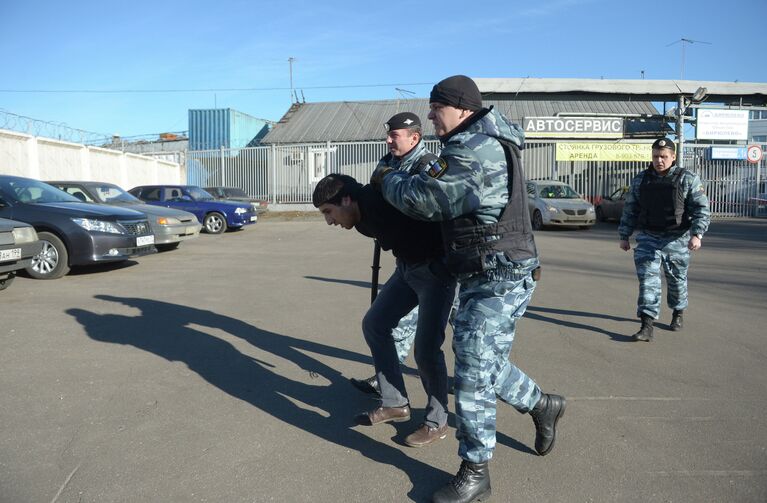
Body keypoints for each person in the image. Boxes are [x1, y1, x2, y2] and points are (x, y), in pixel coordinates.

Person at [374, 75, 566, 503]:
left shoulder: (473, 149)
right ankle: (541, 404)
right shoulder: (475, 142)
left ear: (461, 108)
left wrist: (388, 180)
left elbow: (426, 201)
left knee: (473, 363)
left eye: (435, 108)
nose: (429, 116)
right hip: (486, 270)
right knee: (484, 361)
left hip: (499, 273)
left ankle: (475, 470)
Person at [313, 173, 456, 448]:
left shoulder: (382, 200)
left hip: (437, 271)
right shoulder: (358, 218)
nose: (329, 221)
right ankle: (395, 402)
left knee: (426, 350)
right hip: (408, 268)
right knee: (375, 324)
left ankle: (437, 421)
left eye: (329, 212)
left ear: (346, 199)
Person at [349, 112, 441, 397]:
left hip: (440, 263)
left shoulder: (430, 165)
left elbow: (426, 207)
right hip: (409, 258)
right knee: (396, 323)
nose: (388, 140)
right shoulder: (388, 162)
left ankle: (475, 389)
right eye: (388, 135)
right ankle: (387, 380)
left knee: (465, 339)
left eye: (394, 135)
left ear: (415, 137)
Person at [618, 137, 711, 341]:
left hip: (677, 238)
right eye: (655, 156)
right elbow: (631, 208)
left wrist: (697, 234)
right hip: (649, 237)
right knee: (648, 280)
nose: (659, 160)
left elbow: (701, 209)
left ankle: (678, 311)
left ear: (673, 157)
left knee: (676, 280)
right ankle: (647, 325)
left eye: (663, 156)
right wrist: (624, 235)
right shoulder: (641, 179)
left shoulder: (688, 179)